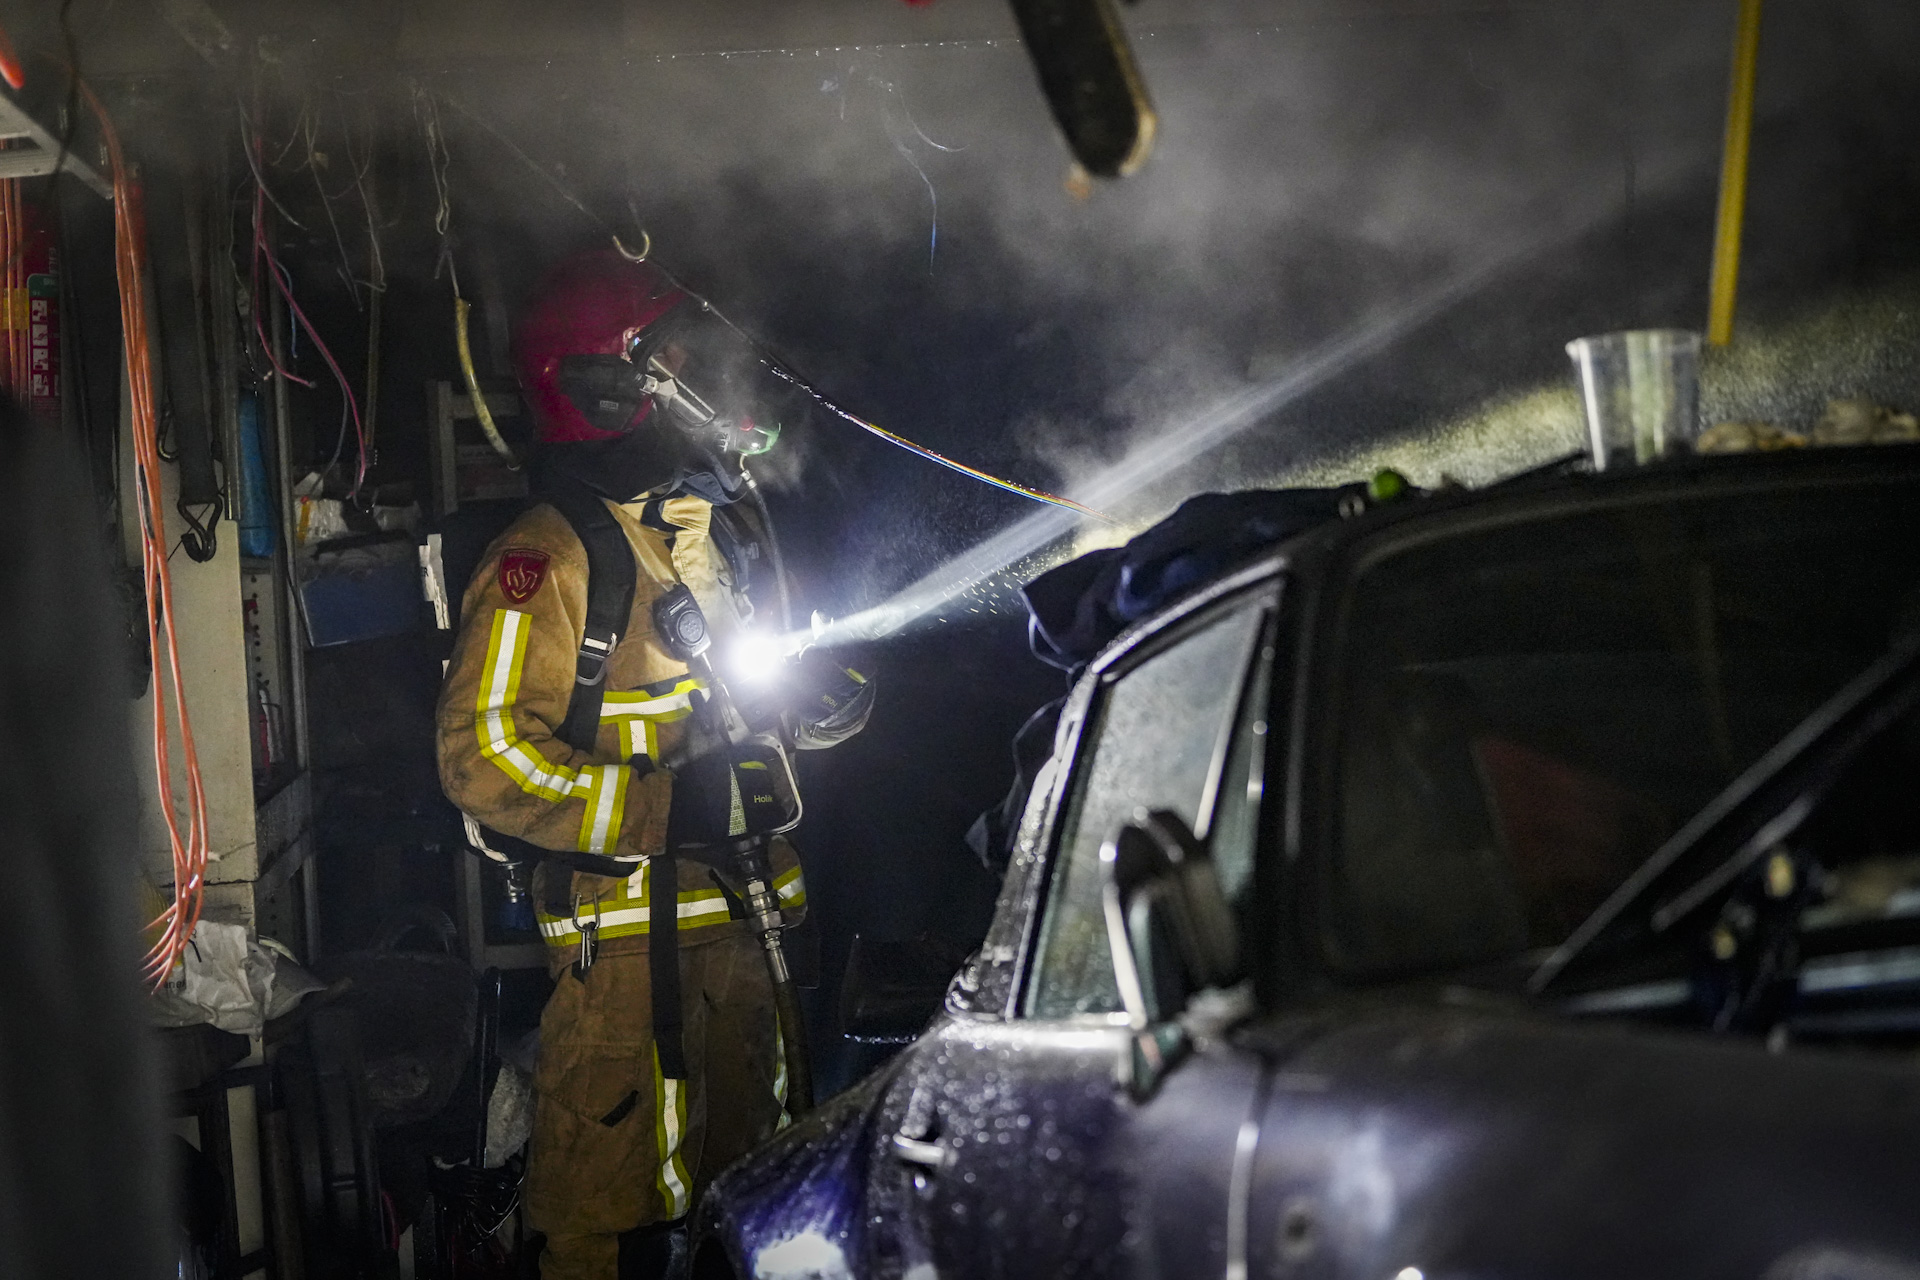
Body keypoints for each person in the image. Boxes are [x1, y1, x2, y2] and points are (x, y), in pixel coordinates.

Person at [436, 248, 870, 1280]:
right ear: (606, 389)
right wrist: (659, 809)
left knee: (758, 1207)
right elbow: (479, 752)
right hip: (622, 966)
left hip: (746, 940)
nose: (700, 374)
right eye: (670, 355)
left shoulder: (708, 533)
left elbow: (728, 703)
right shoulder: (546, 559)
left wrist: (805, 713)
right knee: (599, 1222)